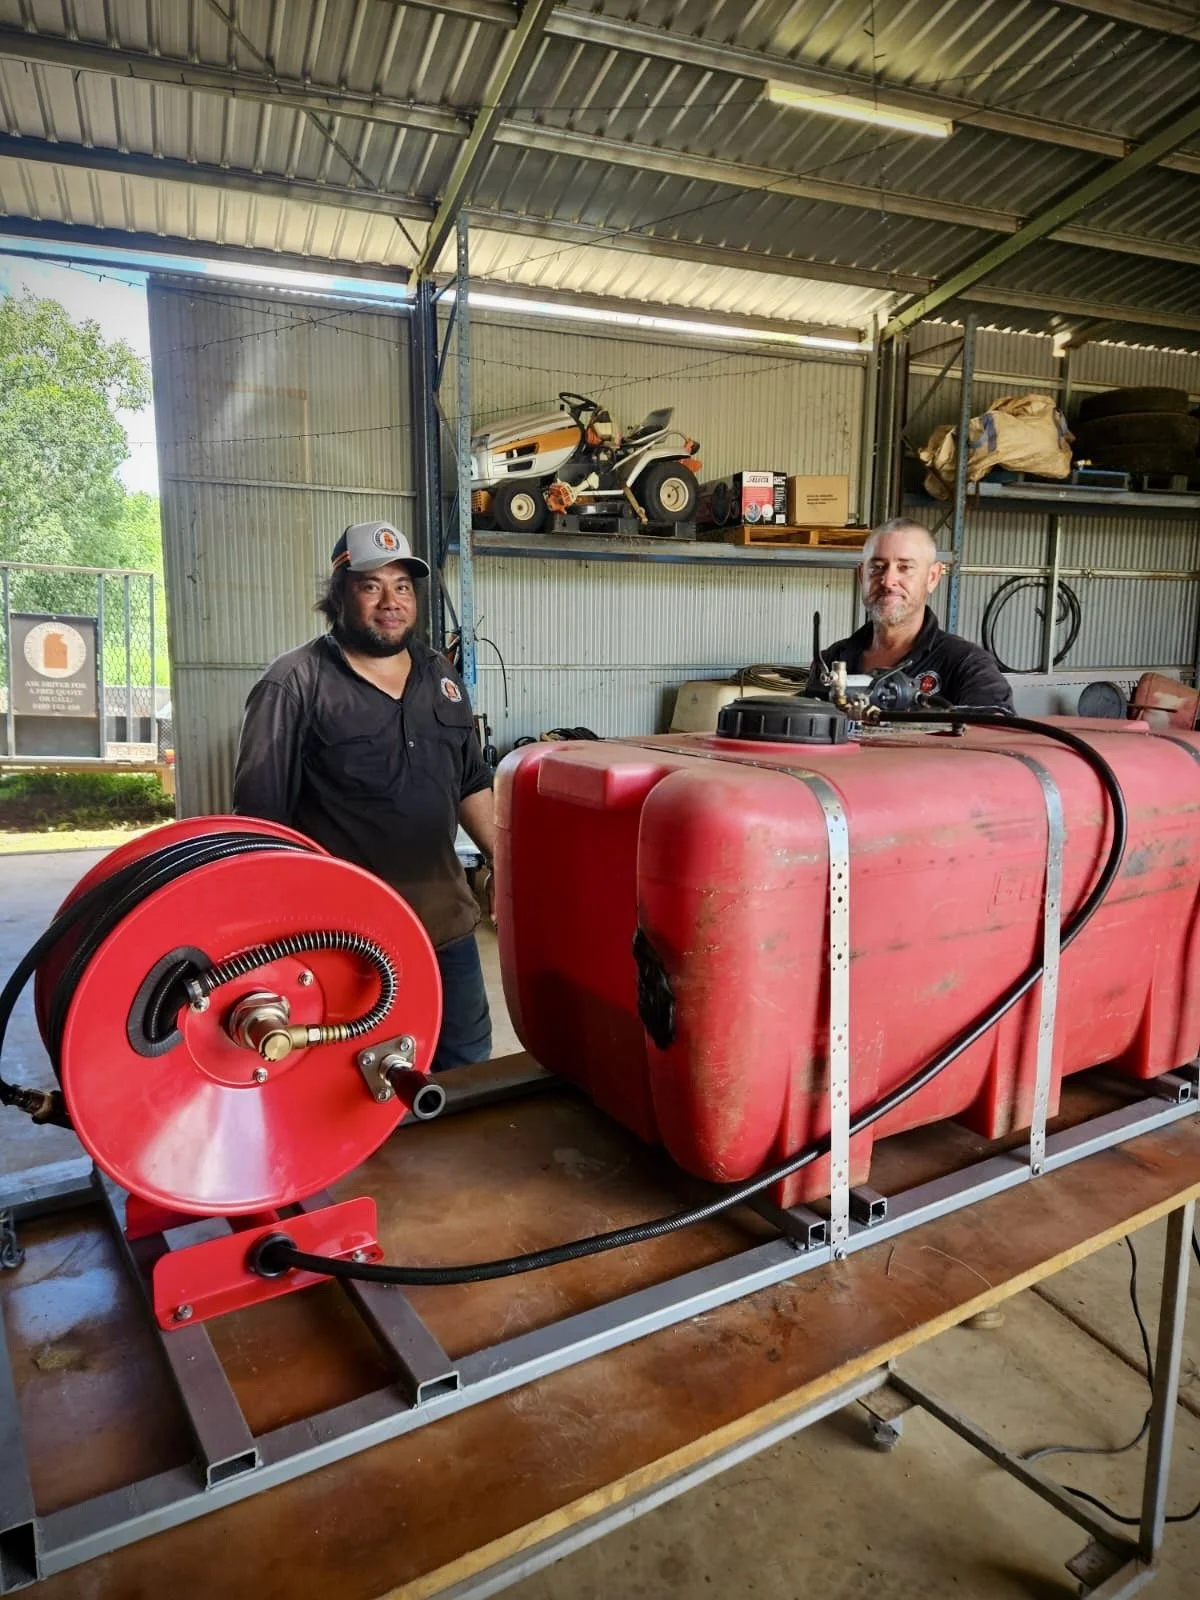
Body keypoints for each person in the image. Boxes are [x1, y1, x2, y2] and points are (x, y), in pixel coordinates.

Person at [232, 521, 495, 1071]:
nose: (390, 602)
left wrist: (511, 865)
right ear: (339, 594)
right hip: (346, 941)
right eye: (371, 586)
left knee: (466, 1064)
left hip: (445, 924)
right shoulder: (294, 683)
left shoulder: (440, 676)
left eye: (402, 587)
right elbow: (260, 824)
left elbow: (472, 784)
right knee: (361, 1078)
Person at [807, 517, 1013, 711]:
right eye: (877, 567)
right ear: (862, 575)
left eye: (904, 567)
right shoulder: (831, 660)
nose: (888, 581)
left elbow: (995, 731)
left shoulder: (967, 664)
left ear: (932, 577)